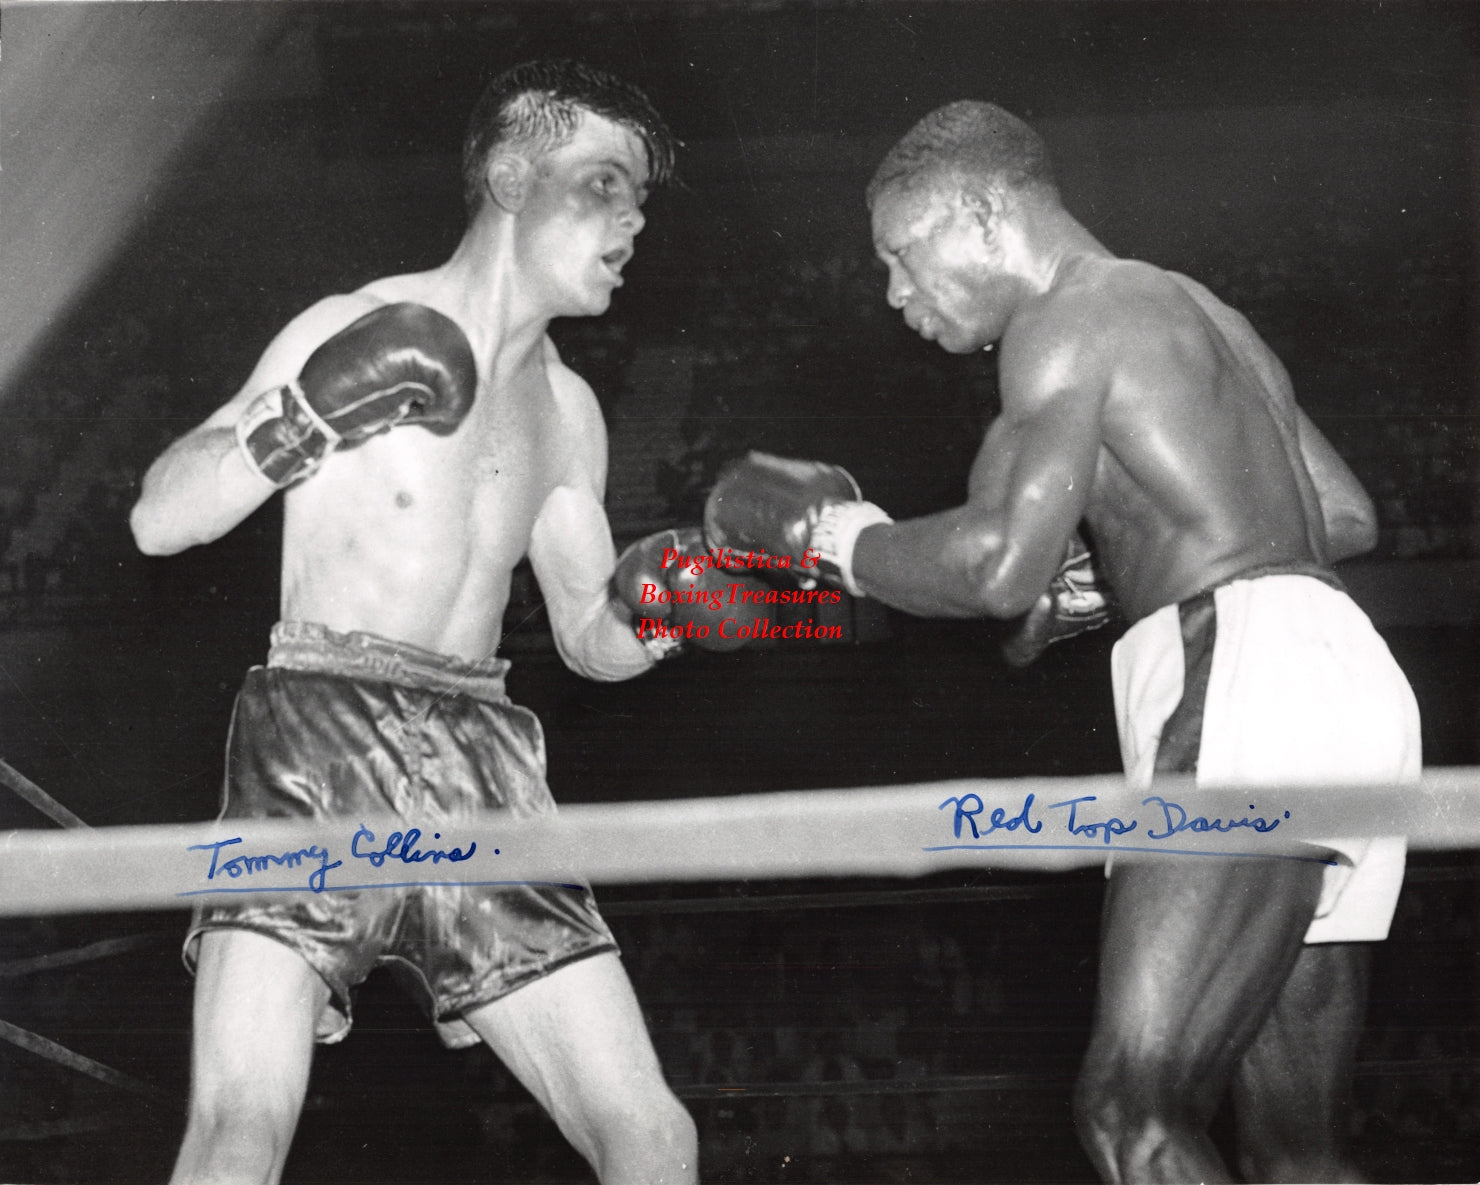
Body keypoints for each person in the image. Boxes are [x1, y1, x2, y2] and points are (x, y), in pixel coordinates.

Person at [702, 100, 1419, 1183]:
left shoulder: (1062, 320)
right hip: (1348, 680)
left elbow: (995, 567)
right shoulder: (1197, 309)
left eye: (902, 254)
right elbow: (1346, 518)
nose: (895, 292)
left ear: (984, 215)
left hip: (1243, 683)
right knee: (1295, 1154)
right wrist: (1112, 571)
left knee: (1134, 1112)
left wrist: (835, 540)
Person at [130, 59, 700, 1185]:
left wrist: (676, 610)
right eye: (602, 183)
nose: (633, 217)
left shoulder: (570, 412)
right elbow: (160, 518)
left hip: (484, 762)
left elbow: (589, 634)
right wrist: (302, 416)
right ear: (506, 176)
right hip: (318, 733)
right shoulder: (356, 324)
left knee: (649, 1134)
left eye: (640, 196)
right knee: (242, 1122)